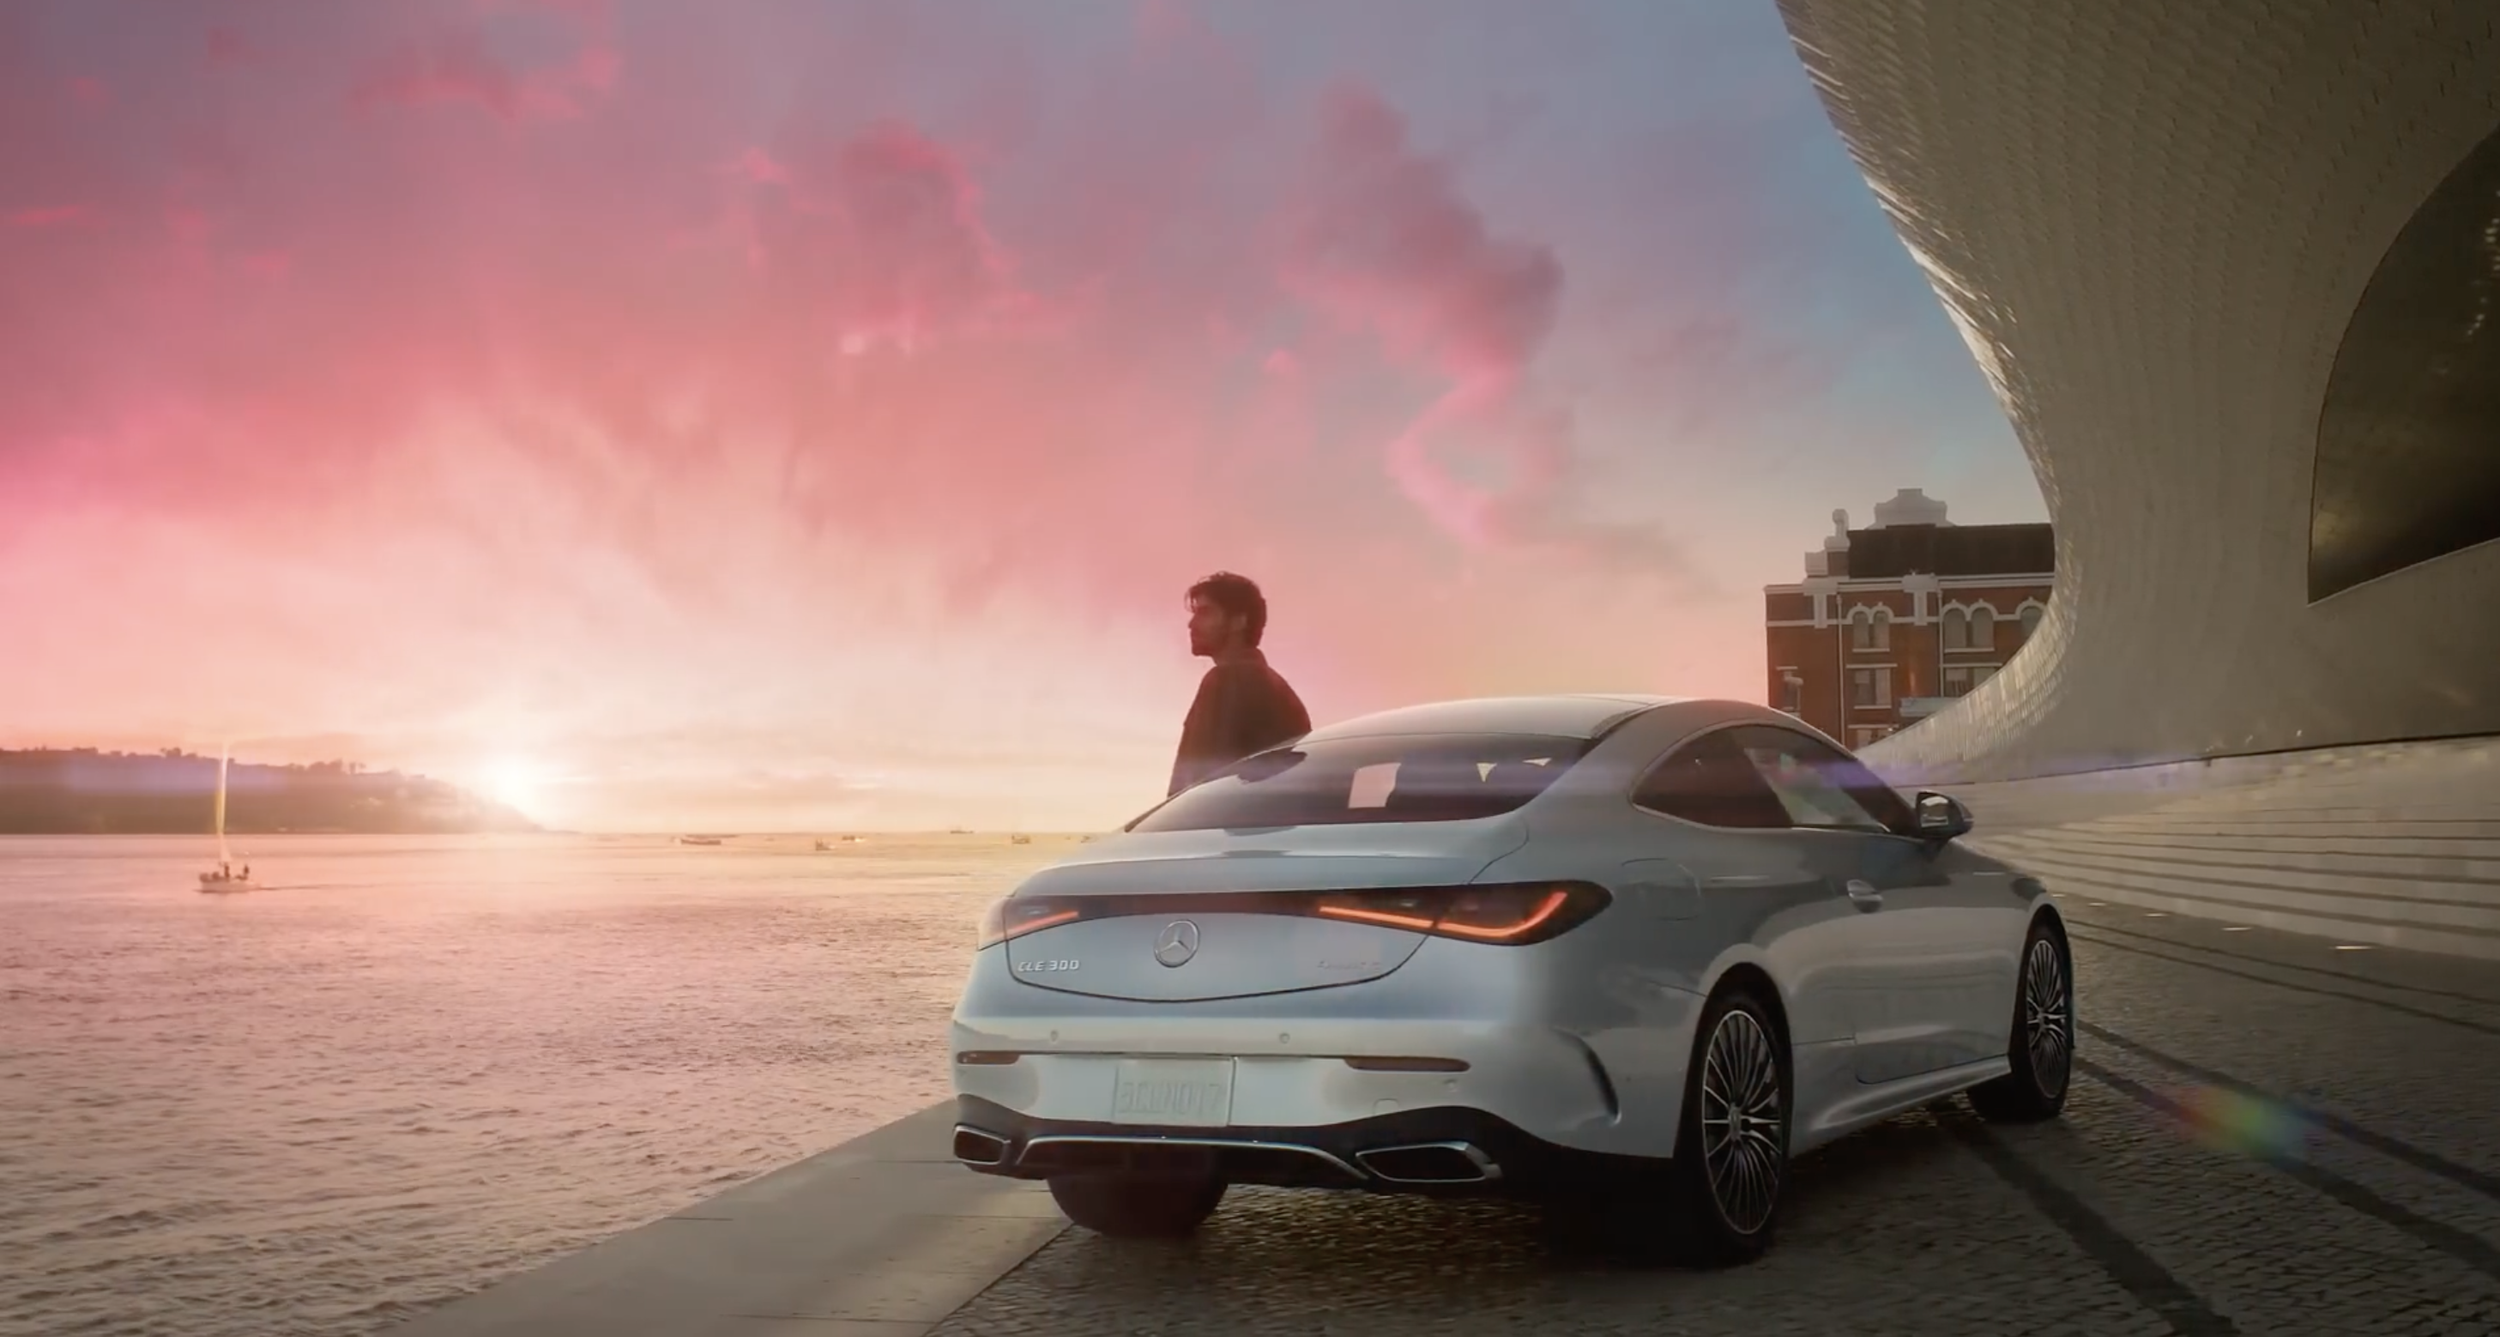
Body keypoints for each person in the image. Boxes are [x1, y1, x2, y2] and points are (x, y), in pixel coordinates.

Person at [1168, 571, 1312, 796]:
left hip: (1213, 826)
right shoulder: (1274, 686)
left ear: (1238, 622)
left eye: (1205, 613)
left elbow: (1201, 784)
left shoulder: (1228, 680)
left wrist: (1169, 826)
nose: (1192, 624)